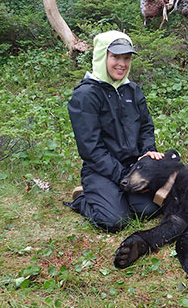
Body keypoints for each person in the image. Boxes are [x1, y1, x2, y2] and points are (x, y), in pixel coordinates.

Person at [64, 30, 164, 232]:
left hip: (132, 165)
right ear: (102, 56)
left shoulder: (132, 90)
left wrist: (148, 151)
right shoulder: (86, 95)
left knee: (150, 210)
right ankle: (84, 199)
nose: (122, 64)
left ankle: (114, 196)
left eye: (126, 58)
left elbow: (146, 127)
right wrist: (125, 177)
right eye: (115, 56)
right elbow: (91, 150)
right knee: (114, 221)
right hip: (100, 170)